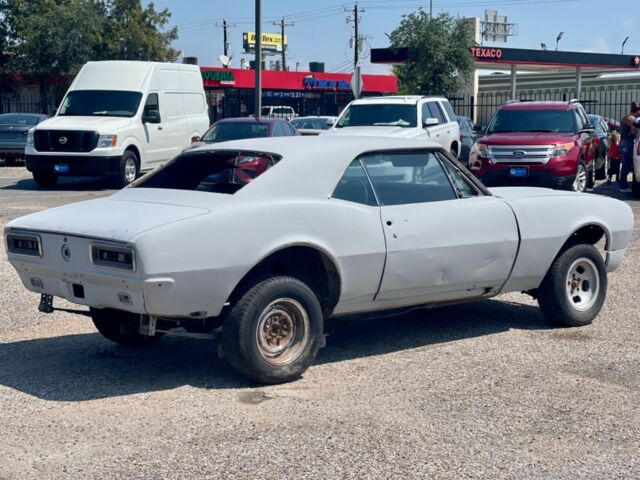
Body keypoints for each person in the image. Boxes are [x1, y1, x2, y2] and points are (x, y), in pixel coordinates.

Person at [618, 101, 640, 192]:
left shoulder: (626, 117)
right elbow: (634, 131)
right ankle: (623, 186)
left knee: (626, 164)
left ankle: (622, 184)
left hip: (624, 143)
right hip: (627, 143)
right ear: (637, 111)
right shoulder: (631, 119)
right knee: (626, 165)